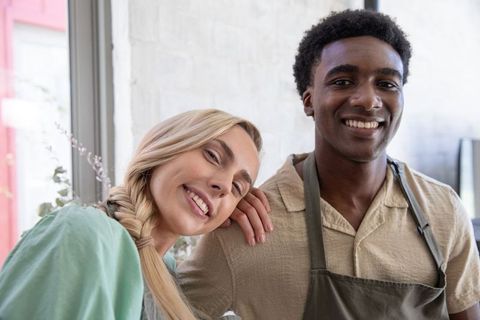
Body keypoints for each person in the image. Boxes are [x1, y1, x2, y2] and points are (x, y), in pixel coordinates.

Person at [177, 10, 480, 319]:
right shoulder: (247, 227)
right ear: (308, 100)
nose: (367, 99)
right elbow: (160, 307)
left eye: (387, 84)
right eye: (343, 81)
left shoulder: (443, 211)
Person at [0, 109, 271, 320]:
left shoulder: (167, 278)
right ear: (165, 147)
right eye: (212, 156)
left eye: (237, 187)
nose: (224, 185)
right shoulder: (86, 235)